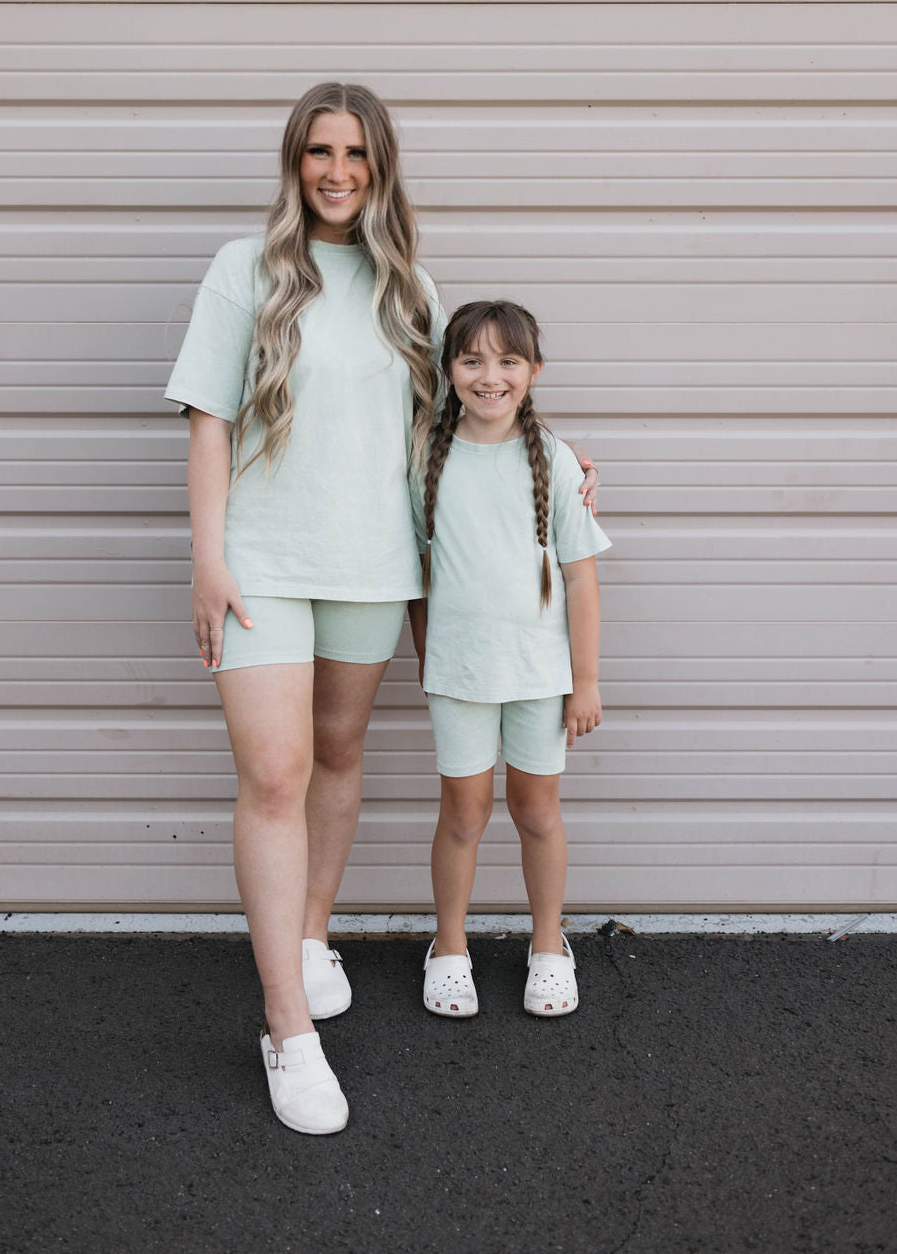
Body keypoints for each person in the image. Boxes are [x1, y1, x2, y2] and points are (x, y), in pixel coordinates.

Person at [166, 84, 599, 1133]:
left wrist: (562, 460)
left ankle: (311, 937)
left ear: (380, 165)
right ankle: (287, 1029)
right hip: (263, 561)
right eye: (318, 150)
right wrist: (208, 558)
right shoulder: (245, 268)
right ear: (293, 161)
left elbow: (467, 422)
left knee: (341, 748)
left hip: (372, 562)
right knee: (274, 773)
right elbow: (211, 421)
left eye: (355, 152)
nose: (335, 170)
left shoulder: (409, 285)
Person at [408, 300, 611, 1021]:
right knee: (462, 813)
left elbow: (582, 576)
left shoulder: (554, 460)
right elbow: (418, 581)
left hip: (540, 675)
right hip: (460, 677)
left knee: (536, 810)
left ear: (534, 372)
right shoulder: (425, 456)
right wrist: (433, 660)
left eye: (507, 361)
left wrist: (584, 680)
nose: (489, 376)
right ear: (449, 369)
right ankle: (451, 945)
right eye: (471, 360)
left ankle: (550, 943)